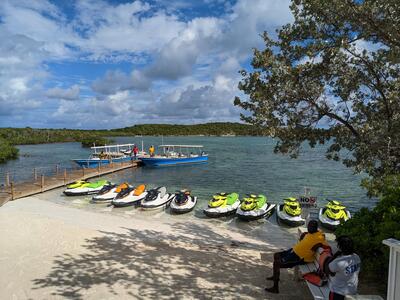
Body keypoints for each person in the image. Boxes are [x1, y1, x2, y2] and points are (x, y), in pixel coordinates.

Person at [265, 219, 328, 294]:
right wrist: (306, 233)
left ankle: (275, 288)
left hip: (299, 258)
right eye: (309, 226)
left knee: (277, 264)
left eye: (312, 227)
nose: (310, 228)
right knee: (276, 255)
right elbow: (311, 234)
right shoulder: (312, 233)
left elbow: (327, 247)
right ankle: (275, 276)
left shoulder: (320, 238)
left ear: (316, 228)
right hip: (293, 251)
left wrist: (320, 245)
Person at [327, 236, 361, 300]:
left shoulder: (339, 262)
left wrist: (335, 255)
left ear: (340, 248)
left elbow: (328, 270)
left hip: (338, 293)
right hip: (352, 291)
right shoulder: (357, 257)